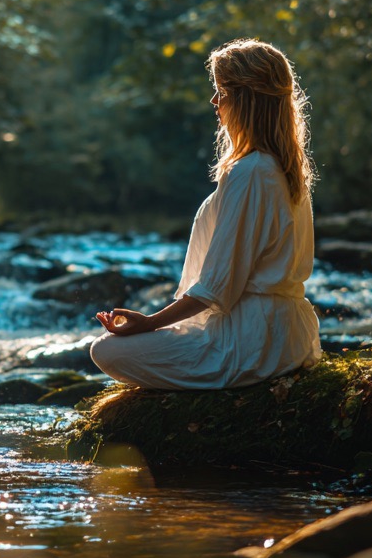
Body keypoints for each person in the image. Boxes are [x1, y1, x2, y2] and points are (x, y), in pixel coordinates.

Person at [90, 38, 322, 390]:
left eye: (221, 92)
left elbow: (217, 286)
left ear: (246, 99)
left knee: (106, 350)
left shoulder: (252, 172)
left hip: (251, 342)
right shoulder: (283, 169)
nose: (215, 102)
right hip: (281, 332)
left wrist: (150, 323)